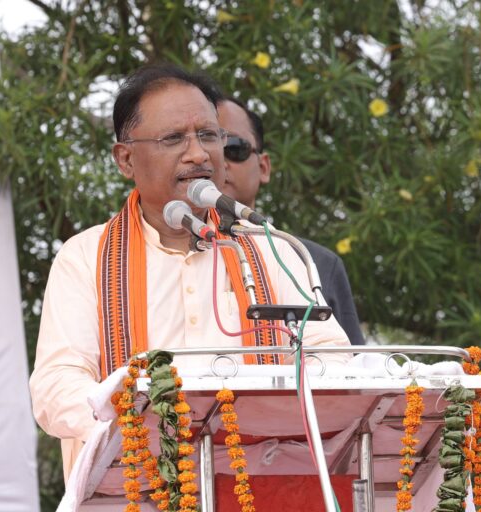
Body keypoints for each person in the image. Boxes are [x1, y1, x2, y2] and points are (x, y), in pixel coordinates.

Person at [28, 64, 351, 480]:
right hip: (136, 487)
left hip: (259, 486)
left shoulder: (271, 250)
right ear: (125, 159)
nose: (198, 153)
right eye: (174, 138)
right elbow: (56, 387)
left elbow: (333, 360)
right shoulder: (85, 257)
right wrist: (149, 426)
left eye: (208, 136)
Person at [217, 97, 365, 345]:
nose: (219, 162)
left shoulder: (314, 262)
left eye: (233, 148)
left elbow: (351, 364)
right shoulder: (160, 254)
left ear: (264, 167)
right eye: (207, 146)